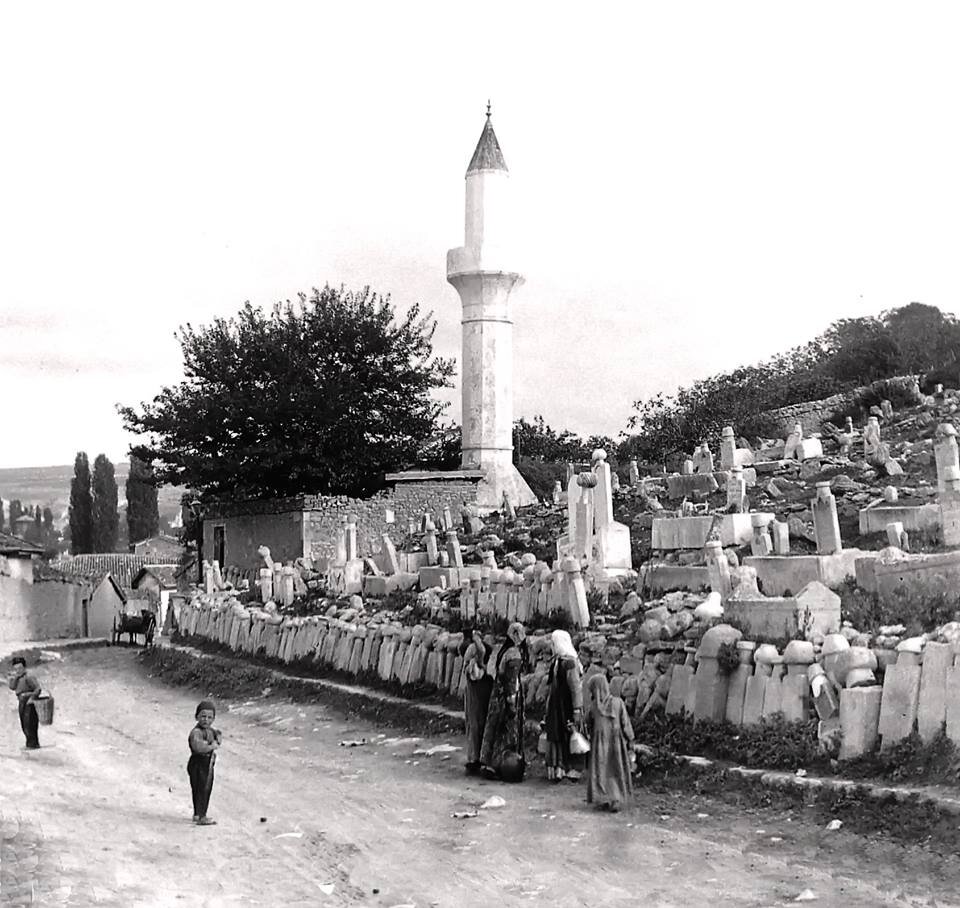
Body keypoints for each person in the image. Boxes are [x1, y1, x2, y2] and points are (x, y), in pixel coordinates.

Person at [479, 622, 528, 782]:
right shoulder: (514, 654)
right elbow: (511, 682)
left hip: (496, 696)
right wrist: (512, 702)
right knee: (507, 733)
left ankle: (489, 763)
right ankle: (505, 766)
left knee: (494, 728)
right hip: (506, 699)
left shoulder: (503, 651)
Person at [584, 673, 635, 812]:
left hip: (600, 745)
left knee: (602, 770)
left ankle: (603, 797)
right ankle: (615, 799)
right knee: (615, 769)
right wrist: (630, 739)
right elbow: (626, 723)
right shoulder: (618, 703)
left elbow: (588, 724)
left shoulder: (594, 707)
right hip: (616, 744)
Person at [543, 629, 584, 782]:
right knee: (557, 734)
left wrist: (577, 709)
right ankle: (559, 768)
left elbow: (575, 688)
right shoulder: (557, 662)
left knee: (569, 734)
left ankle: (573, 768)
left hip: (567, 706)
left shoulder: (570, 663)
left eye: (554, 643)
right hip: (556, 706)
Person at [461, 629, 493, 776]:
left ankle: (475, 759)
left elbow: (480, 650)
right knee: (477, 727)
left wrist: (476, 640)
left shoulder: (474, 667)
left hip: (475, 701)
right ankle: (478, 758)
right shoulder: (476, 668)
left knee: (475, 727)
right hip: (478, 700)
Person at [188, 700, 222, 825]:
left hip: (207, 763)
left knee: (201, 788)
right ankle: (202, 815)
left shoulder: (211, 731)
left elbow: (218, 737)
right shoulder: (196, 732)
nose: (206, 720)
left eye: (209, 717)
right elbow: (198, 747)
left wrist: (217, 739)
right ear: (196, 717)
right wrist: (212, 746)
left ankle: (198, 813)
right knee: (202, 789)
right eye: (203, 716)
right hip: (199, 763)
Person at [8, 657, 42, 750]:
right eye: (16, 669)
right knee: (24, 723)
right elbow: (12, 687)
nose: (18, 670)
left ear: (24, 667)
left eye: (20, 668)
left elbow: (38, 689)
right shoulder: (16, 677)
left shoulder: (29, 676)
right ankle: (30, 743)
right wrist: (16, 677)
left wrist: (32, 697)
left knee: (30, 723)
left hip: (29, 702)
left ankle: (33, 744)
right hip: (21, 701)